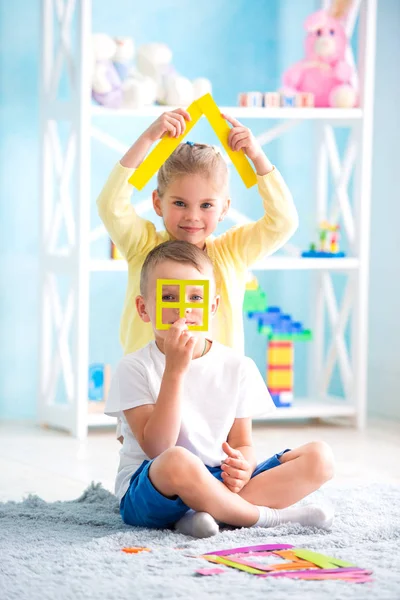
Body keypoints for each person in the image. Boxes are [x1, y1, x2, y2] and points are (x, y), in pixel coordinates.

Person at [105, 240, 335, 538]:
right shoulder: (134, 367)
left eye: (195, 297)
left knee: (321, 458)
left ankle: (202, 514)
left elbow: (242, 442)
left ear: (212, 306)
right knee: (177, 460)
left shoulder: (237, 366)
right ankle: (266, 518)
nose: (182, 311)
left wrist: (243, 463)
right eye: (169, 297)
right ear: (143, 308)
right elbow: (158, 449)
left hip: (219, 479)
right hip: (153, 488)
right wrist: (174, 370)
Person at [96, 108, 298, 442]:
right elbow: (110, 205)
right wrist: (148, 138)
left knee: (214, 471)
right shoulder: (141, 245)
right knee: (154, 463)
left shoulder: (231, 252)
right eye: (179, 203)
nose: (192, 216)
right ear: (158, 203)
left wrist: (257, 156)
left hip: (214, 390)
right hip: (149, 386)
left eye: (206, 205)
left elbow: (284, 221)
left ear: (224, 208)